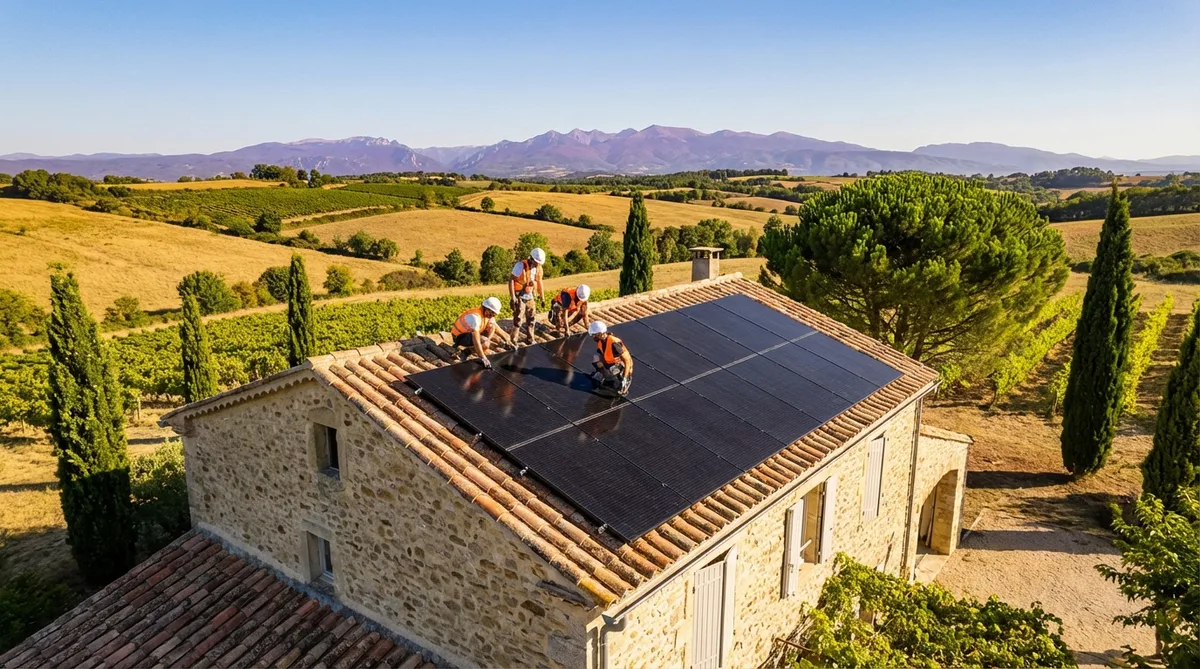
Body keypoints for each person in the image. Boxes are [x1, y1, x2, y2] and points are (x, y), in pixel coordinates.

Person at [450, 297, 513, 368]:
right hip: (459, 337)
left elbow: (496, 328)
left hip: (470, 333)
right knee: (485, 343)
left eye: (494, 314)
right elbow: (476, 339)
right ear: (485, 308)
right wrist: (483, 357)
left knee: (492, 329)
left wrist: (508, 339)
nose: (492, 315)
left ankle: (504, 344)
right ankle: (465, 352)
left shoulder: (488, 315)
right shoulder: (475, 317)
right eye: (492, 313)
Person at [509, 247, 546, 343]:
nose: (537, 264)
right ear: (532, 258)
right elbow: (511, 280)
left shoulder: (538, 268)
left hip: (530, 295)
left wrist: (542, 297)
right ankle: (514, 340)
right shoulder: (520, 265)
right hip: (519, 295)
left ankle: (530, 338)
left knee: (531, 317)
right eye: (536, 262)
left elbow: (539, 282)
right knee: (518, 319)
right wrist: (513, 297)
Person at [589, 321, 632, 396]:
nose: (593, 337)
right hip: (610, 362)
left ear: (601, 333)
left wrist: (625, 377)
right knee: (596, 359)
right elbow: (602, 355)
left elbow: (627, 360)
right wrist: (601, 368)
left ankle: (619, 385)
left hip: (620, 365)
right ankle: (607, 377)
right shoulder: (600, 342)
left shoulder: (614, 342)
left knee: (612, 373)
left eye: (595, 335)